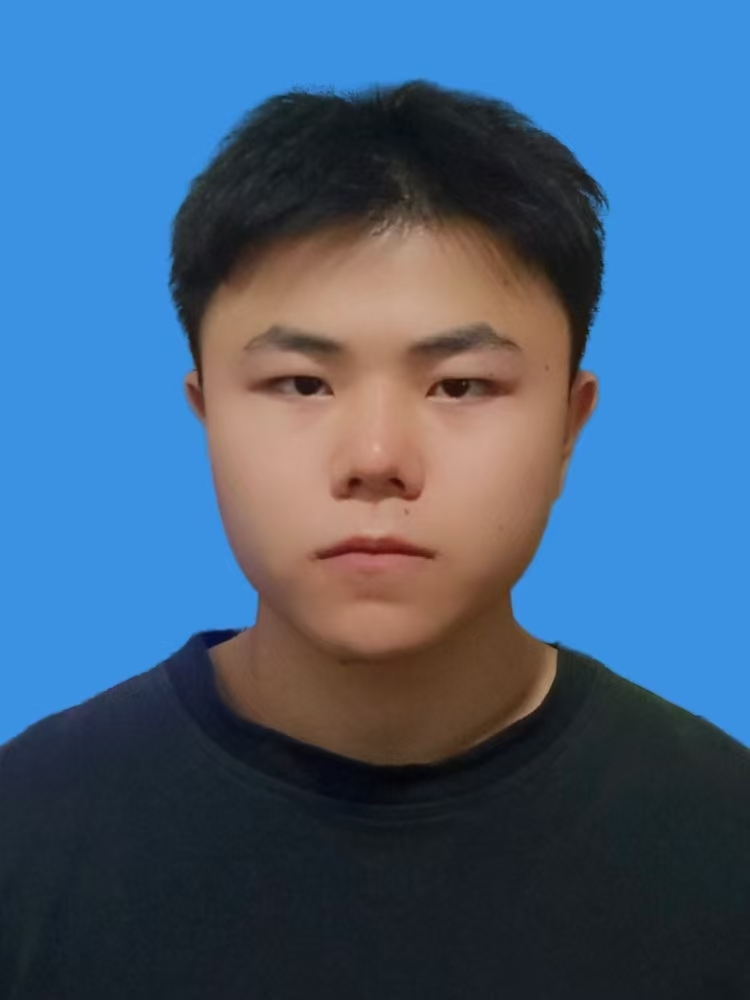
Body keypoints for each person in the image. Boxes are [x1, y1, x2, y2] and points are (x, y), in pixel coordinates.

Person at [2, 79, 748, 998]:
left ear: (569, 424)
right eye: (302, 384)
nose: (377, 459)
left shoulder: (724, 838)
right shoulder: (25, 834)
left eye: (461, 386)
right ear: (205, 414)